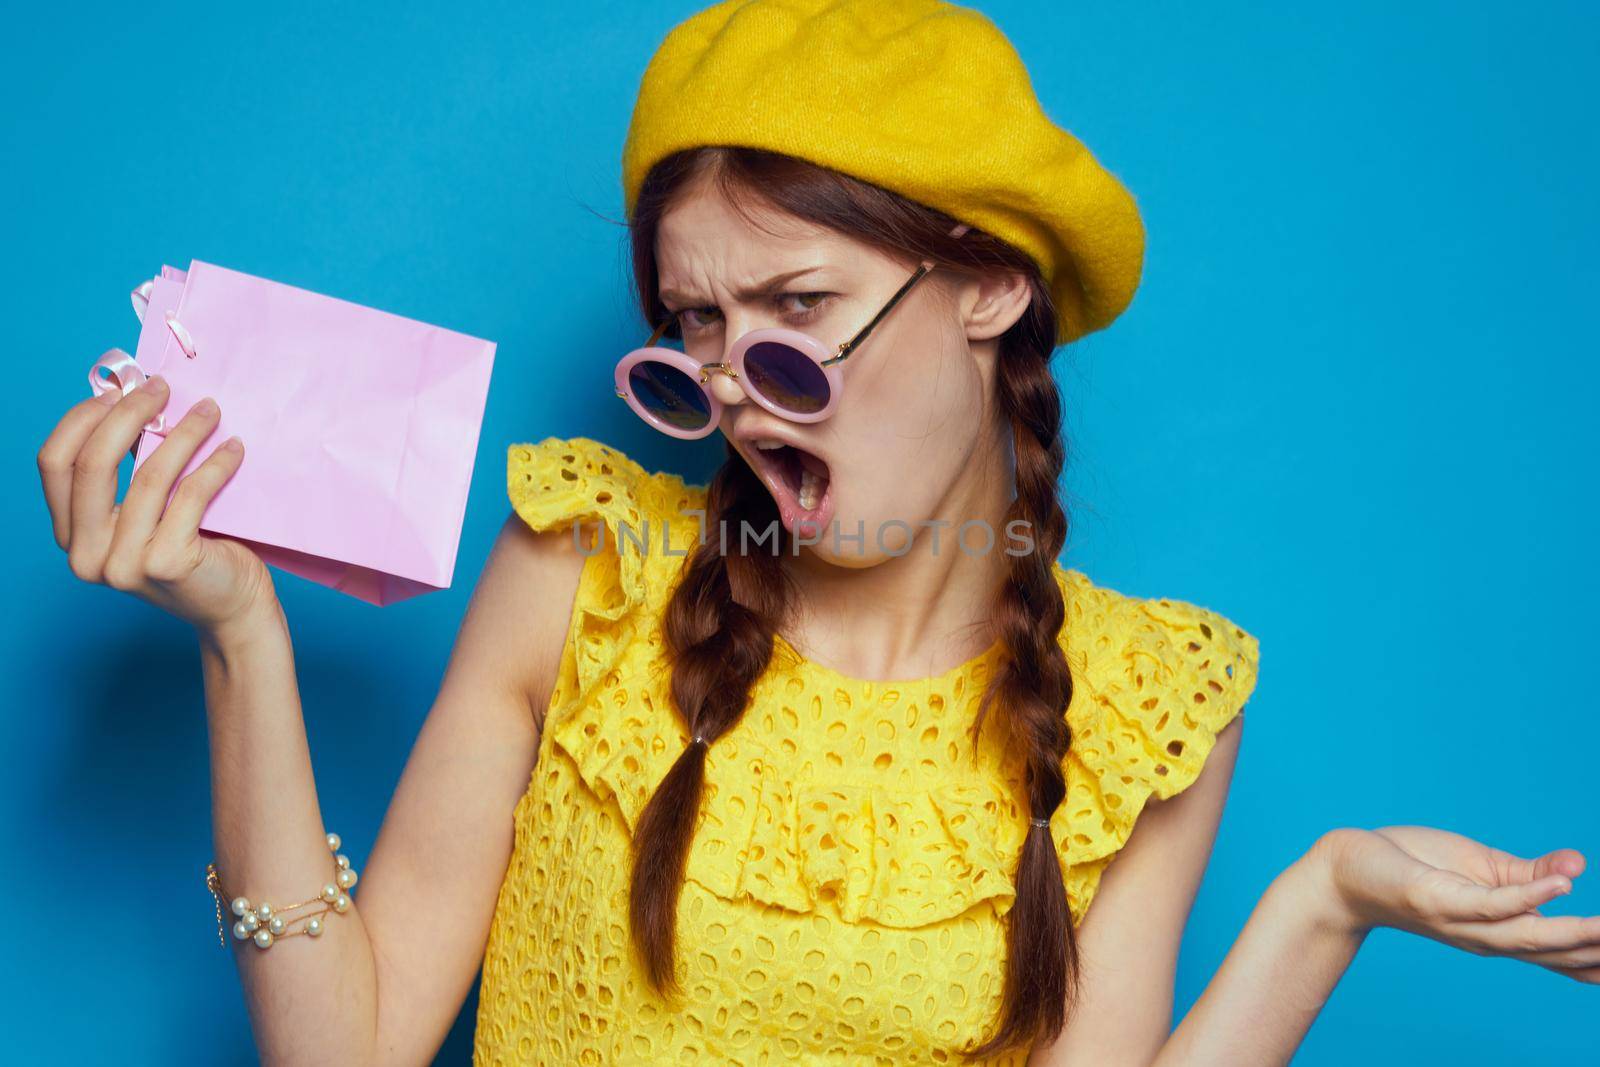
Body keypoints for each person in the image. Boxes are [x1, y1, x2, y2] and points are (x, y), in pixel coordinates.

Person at [37, 1, 1595, 1064]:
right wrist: (245, 640)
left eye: (800, 318)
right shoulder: (583, 572)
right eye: (700, 337)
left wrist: (1324, 902)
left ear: (989, 289)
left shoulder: (1142, 711)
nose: (743, 398)